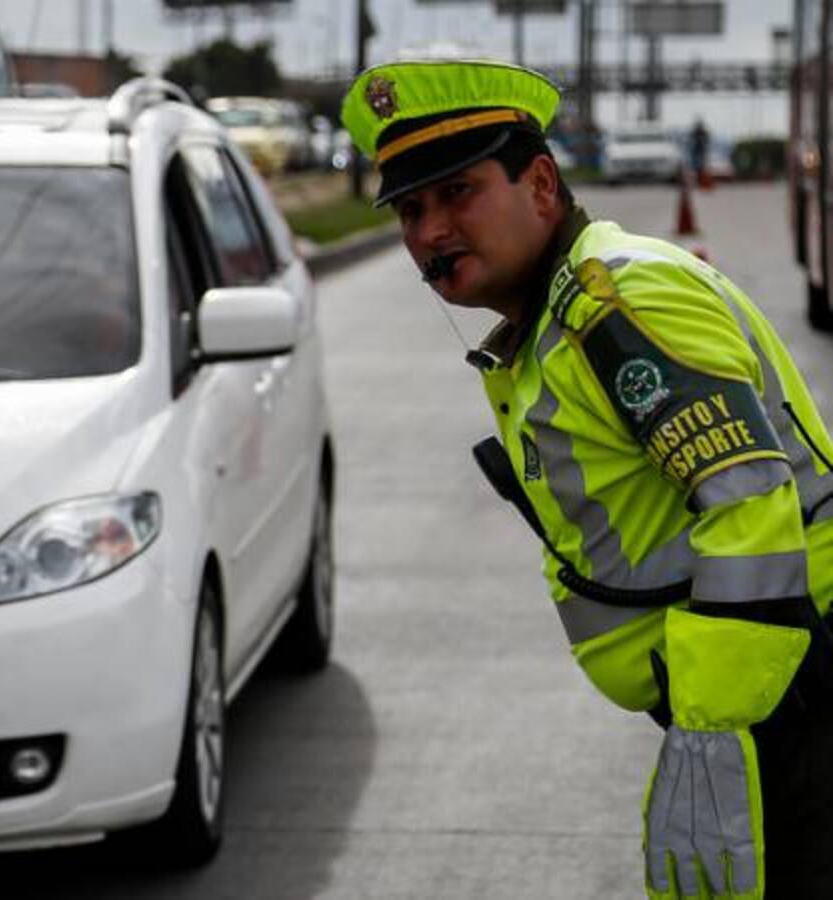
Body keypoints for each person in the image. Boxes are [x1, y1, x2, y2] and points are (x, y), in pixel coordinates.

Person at [340, 59, 833, 899]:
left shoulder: (618, 303)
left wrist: (712, 732)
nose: (429, 232)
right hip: (761, 695)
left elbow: (747, 504)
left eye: (458, 193)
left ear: (539, 184)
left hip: (789, 696)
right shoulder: (553, 319)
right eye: (411, 210)